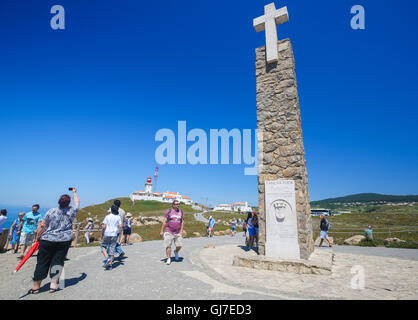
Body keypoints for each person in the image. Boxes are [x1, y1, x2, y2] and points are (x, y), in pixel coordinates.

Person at [28, 189, 80, 294]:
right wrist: (74, 192)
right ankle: (54, 285)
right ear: (68, 203)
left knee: (42, 262)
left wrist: (38, 237)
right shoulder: (72, 211)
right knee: (58, 261)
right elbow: (77, 203)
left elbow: (43, 226)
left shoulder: (51, 211)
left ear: (59, 202)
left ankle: (36, 287)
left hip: (47, 240)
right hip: (63, 241)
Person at [160, 200, 184, 265]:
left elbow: (182, 222)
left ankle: (176, 252)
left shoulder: (181, 212)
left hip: (178, 232)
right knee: (168, 245)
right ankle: (168, 258)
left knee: (179, 245)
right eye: (176, 204)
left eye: (178, 204)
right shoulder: (169, 211)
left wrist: (181, 231)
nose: (177, 205)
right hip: (169, 231)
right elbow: (164, 221)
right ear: (173, 205)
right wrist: (162, 231)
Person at [101, 205, 122, 270]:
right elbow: (120, 226)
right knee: (112, 250)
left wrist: (102, 233)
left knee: (103, 246)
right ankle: (110, 266)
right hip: (114, 234)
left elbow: (104, 226)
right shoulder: (118, 217)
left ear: (111, 210)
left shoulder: (107, 216)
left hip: (107, 233)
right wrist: (118, 232)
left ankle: (107, 259)